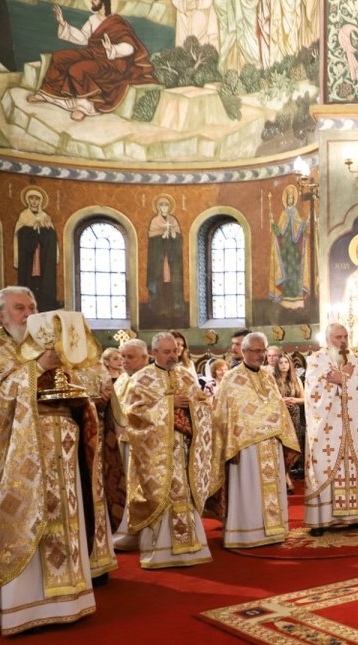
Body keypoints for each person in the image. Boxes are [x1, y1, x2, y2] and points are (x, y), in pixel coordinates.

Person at [0, 288, 115, 635]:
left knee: (64, 521)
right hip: (17, 463)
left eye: (32, 306)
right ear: (1, 315)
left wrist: (78, 394)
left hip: (62, 449)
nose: (28, 313)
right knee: (28, 521)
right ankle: (21, 609)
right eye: (19, 308)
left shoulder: (49, 345)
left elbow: (81, 385)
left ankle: (68, 601)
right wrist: (36, 368)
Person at [123, 333, 214, 568]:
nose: (173, 355)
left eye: (175, 350)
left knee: (186, 494)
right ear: (154, 354)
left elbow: (202, 403)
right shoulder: (141, 379)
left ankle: (191, 547)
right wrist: (167, 405)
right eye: (167, 351)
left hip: (184, 448)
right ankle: (162, 551)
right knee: (164, 494)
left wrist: (193, 408)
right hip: (157, 453)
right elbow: (132, 414)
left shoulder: (186, 375)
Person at [210, 332, 299, 548]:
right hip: (245, 447)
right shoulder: (232, 378)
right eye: (256, 351)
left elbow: (275, 405)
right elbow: (223, 414)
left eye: (263, 351)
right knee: (248, 489)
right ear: (244, 352)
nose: (261, 355)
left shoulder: (268, 376)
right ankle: (247, 533)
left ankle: (274, 531)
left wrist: (275, 423)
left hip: (271, 443)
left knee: (272, 488)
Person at [27, 0, 155, 121]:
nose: (91, 1)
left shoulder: (118, 22)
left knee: (78, 69)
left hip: (112, 60)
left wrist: (112, 49)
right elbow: (83, 38)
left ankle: (83, 107)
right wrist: (63, 24)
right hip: (93, 53)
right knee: (59, 57)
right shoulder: (93, 19)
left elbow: (130, 47)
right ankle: (47, 94)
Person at [302, 324, 358, 534]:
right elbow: (314, 393)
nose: (343, 341)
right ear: (327, 339)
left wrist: (340, 378)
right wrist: (343, 379)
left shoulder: (356, 360)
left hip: (353, 425)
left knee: (354, 468)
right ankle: (320, 520)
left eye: (345, 336)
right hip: (327, 427)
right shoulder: (316, 359)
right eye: (337, 337)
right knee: (324, 469)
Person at [110, 338, 149, 549]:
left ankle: (136, 530)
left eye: (130, 357)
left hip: (141, 444)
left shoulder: (148, 378)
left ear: (145, 357)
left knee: (137, 488)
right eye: (123, 357)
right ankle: (123, 528)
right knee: (124, 487)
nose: (124, 361)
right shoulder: (124, 378)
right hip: (122, 441)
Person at [145, 196, 187, 328]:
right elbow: (153, 238)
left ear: (169, 207)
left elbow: (178, 237)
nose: (164, 208)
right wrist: (162, 236)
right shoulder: (155, 221)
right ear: (158, 207)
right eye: (162, 205)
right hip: (159, 259)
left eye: (166, 205)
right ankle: (159, 310)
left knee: (173, 282)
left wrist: (173, 235)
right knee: (159, 283)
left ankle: (175, 308)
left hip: (171, 258)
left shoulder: (173, 220)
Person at [15, 187, 58, 311]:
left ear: (40, 201)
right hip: (29, 256)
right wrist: (33, 230)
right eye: (32, 199)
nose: (34, 202)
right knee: (29, 279)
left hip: (42, 255)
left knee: (43, 277)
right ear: (28, 200)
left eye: (37, 199)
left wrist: (46, 230)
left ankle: (45, 301)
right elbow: (20, 235)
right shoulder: (24, 216)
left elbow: (51, 237)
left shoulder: (45, 216)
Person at [274, 353, 305, 486]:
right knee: (283, 448)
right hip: (280, 417)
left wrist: (294, 400)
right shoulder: (272, 380)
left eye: (286, 362)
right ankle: (285, 478)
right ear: (277, 365)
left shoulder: (296, 379)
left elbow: (304, 399)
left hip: (294, 416)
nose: (284, 365)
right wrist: (281, 401)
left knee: (294, 449)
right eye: (281, 363)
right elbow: (270, 398)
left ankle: (286, 474)